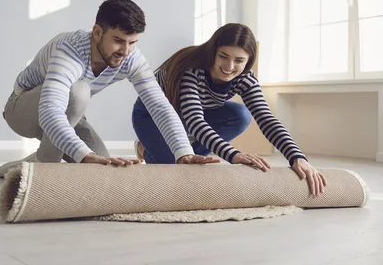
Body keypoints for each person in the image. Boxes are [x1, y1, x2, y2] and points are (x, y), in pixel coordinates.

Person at [0, 0, 219, 178]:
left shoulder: (131, 57)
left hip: (71, 112)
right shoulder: (68, 51)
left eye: (132, 42)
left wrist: (184, 154)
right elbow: (50, 111)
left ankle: (33, 165)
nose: (125, 50)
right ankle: (45, 168)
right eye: (119, 41)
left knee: (106, 169)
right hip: (22, 109)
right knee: (79, 91)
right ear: (97, 33)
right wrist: (83, 155)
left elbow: (159, 106)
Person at [132, 23, 327, 196]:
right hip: (152, 116)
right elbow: (195, 121)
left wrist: (297, 158)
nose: (229, 66)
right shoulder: (192, 70)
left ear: (248, 61)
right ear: (213, 52)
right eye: (223, 56)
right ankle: (146, 147)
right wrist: (234, 155)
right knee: (175, 171)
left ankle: (178, 151)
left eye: (239, 61)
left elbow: (267, 119)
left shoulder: (246, 79)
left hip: (196, 112)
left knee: (240, 115)